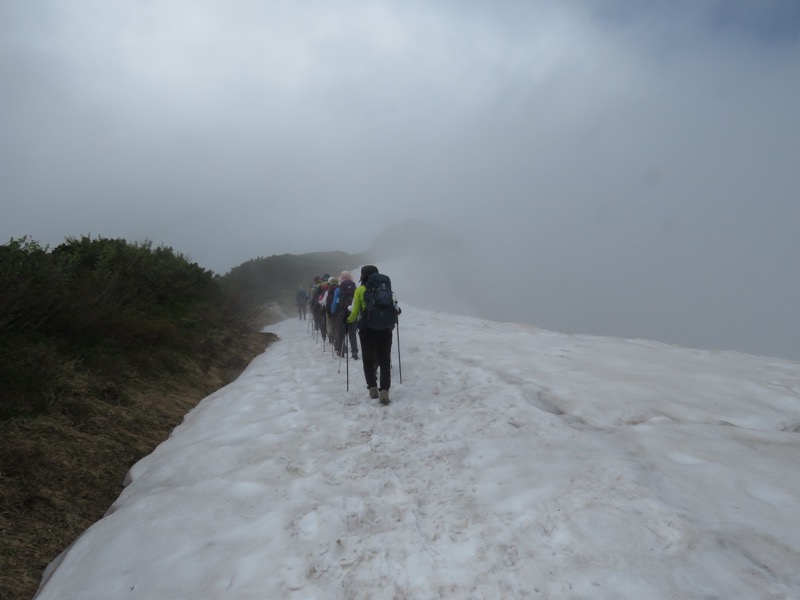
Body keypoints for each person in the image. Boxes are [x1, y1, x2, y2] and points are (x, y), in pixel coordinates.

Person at [346, 265, 398, 405]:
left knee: (368, 360)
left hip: (367, 329)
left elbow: (355, 312)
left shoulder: (360, 289)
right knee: (385, 360)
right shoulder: (385, 286)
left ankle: (373, 388)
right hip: (385, 329)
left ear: (363, 276)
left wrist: (348, 320)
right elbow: (393, 307)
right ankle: (385, 391)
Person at [332, 271, 358, 360]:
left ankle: (341, 351)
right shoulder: (354, 288)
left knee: (341, 332)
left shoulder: (338, 289)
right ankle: (354, 353)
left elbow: (335, 303)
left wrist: (333, 311)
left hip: (342, 313)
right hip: (353, 313)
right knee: (352, 334)